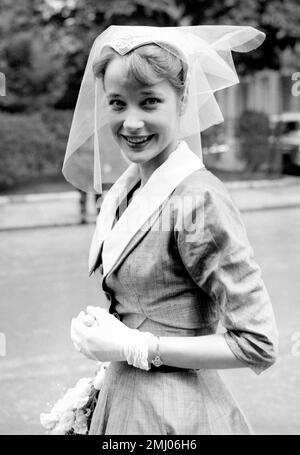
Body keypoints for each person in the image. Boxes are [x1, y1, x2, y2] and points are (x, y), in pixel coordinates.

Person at [63, 25, 278, 435]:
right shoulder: (127, 191)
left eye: (149, 102)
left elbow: (258, 344)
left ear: (181, 101)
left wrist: (135, 345)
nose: (131, 122)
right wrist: (107, 329)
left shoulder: (197, 199)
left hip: (173, 418)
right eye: (116, 103)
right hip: (126, 402)